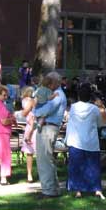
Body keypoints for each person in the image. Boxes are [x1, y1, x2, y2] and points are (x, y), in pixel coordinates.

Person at [65, 83, 106, 200]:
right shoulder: (94, 109)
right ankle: (97, 189)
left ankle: (78, 190)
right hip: (90, 141)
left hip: (76, 141)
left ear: (79, 96)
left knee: (76, 166)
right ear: (90, 97)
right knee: (93, 166)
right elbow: (99, 124)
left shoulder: (73, 108)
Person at [34, 71, 66, 199]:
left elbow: (46, 110)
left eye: (48, 82)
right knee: (48, 159)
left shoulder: (57, 95)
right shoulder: (53, 93)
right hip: (48, 127)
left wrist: (36, 112)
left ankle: (48, 191)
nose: (46, 84)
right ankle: (53, 188)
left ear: (54, 83)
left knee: (44, 160)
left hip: (48, 128)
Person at [20, 87, 37, 183]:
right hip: (34, 126)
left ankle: (29, 174)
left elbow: (24, 113)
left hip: (31, 126)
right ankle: (31, 174)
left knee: (30, 153)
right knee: (31, 152)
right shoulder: (33, 101)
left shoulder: (26, 101)